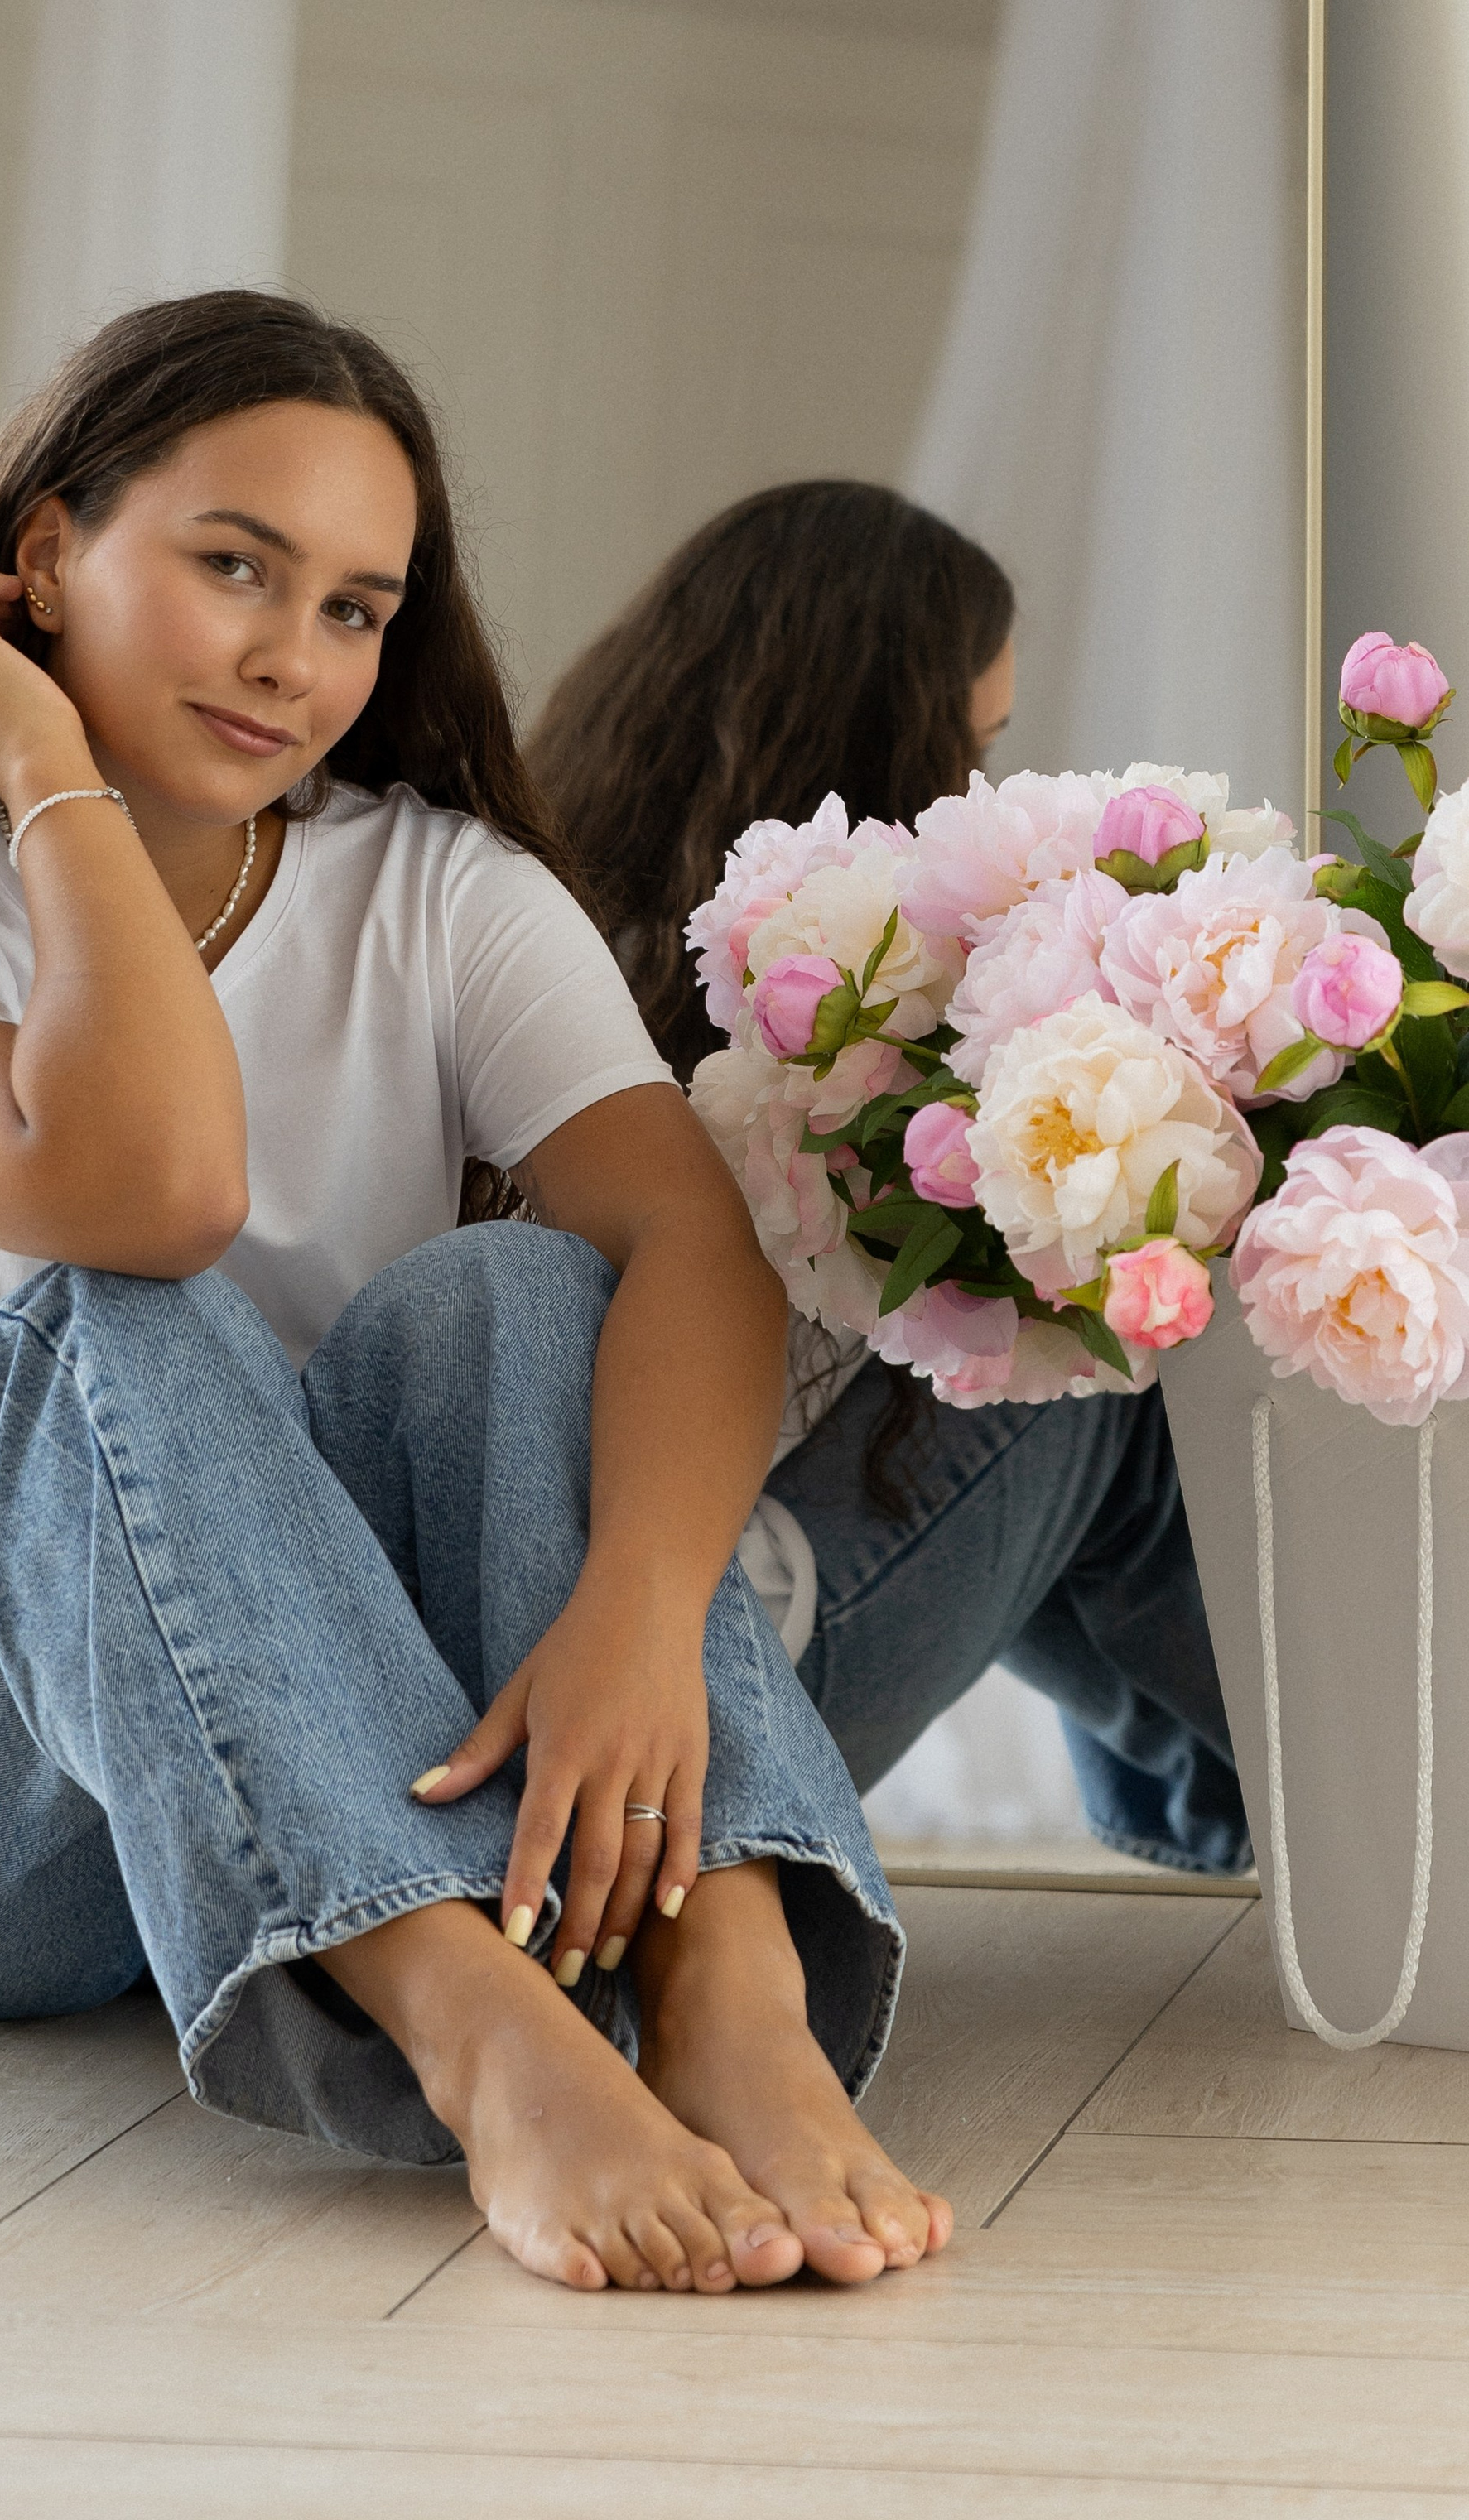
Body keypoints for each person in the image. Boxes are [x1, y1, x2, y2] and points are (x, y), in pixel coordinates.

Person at [0, 297, 954, 2301]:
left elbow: (687, 1245)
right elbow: (152, 1198)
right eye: (232, 566)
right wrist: (48, 777)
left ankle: (726, 1972)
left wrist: (645, 1614)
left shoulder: (440, 890)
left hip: (294, 1757)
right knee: (104, 1325)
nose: (289, 657)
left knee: (513, 1290)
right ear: (42, 559)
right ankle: (481, 2031)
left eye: (353, 608)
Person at [531, 479, 1252, 1877]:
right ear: (884, 750)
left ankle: (1262, 1810)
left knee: (1057, 1362)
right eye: (967, 749)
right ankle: (1322, 1812)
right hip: (687, 1703)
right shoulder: (811, 1027)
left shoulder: (542, 932)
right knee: (1081, 1359)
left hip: (585, 1642)